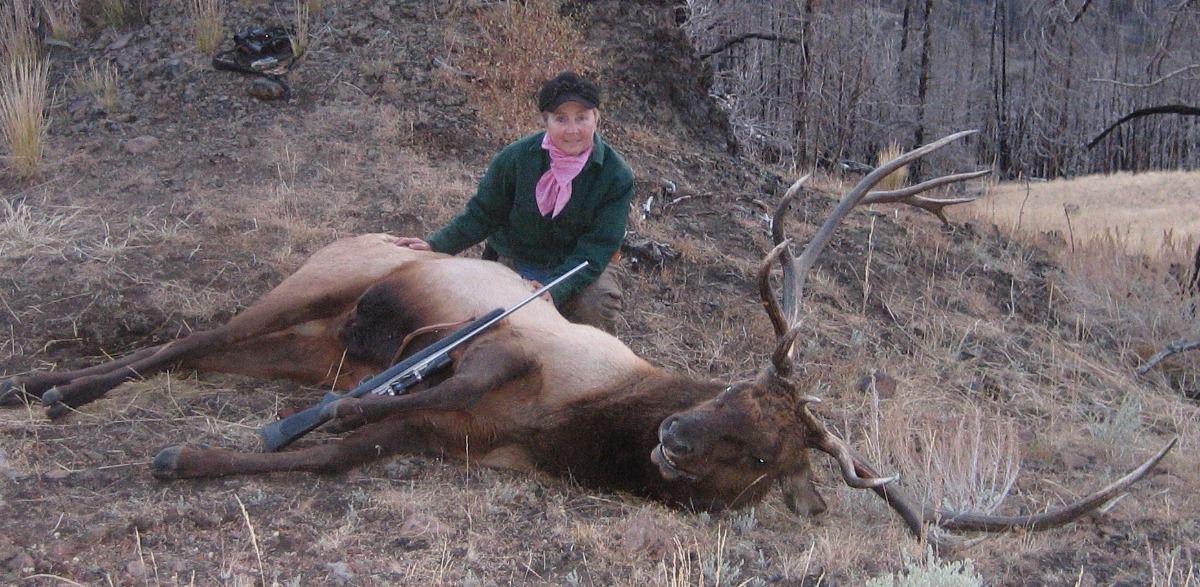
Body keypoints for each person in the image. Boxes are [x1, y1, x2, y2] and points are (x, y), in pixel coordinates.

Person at [395, 71, 634, 333]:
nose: (572, 130)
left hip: (576, 269)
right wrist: (435, 245)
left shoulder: (616, 175)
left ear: (597, 118)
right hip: (517, 259)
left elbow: (597, 248)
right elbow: (482, 214)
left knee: (597, 305)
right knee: (484, 322)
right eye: (561, 119)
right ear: (546, 121)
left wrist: (556, 288)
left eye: (582, 118)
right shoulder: (516, 159)